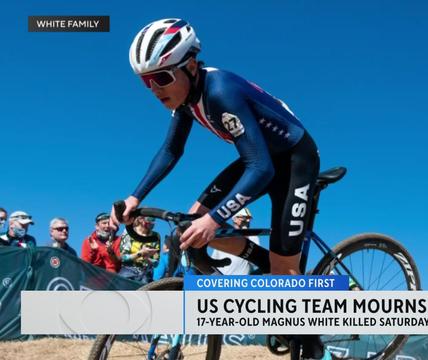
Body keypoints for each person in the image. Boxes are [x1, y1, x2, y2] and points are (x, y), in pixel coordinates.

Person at [111, 18, 323, 359]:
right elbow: (170, 151)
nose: (154, 88)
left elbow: (262, 169)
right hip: (261, 158)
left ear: (191, 65)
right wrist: (135, 197)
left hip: (294, 161)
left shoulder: (220, 92)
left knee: (283, 268)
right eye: (146, 81)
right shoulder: (185, 100)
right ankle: (263, 261)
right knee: (188, 225)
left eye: (162, 77)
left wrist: (214, 221)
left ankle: (311, 342)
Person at [211, 207, 260, 275]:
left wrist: (246, 234)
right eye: (244, 218)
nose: (248, 221)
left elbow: (256, 260)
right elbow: (214, 261)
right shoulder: (224, 237)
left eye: (249, 219)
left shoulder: (252, 237)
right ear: (235, 219)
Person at [118, 216, 161, 283]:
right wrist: (140, 253)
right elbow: (123, 258)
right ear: (141, 219)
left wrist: (147, 258)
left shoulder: (156, 236)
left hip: (146, 274)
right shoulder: (129, 232)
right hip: (128, 271)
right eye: (150, 219)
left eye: (154, 219)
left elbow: (156, 263)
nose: (152, 222)